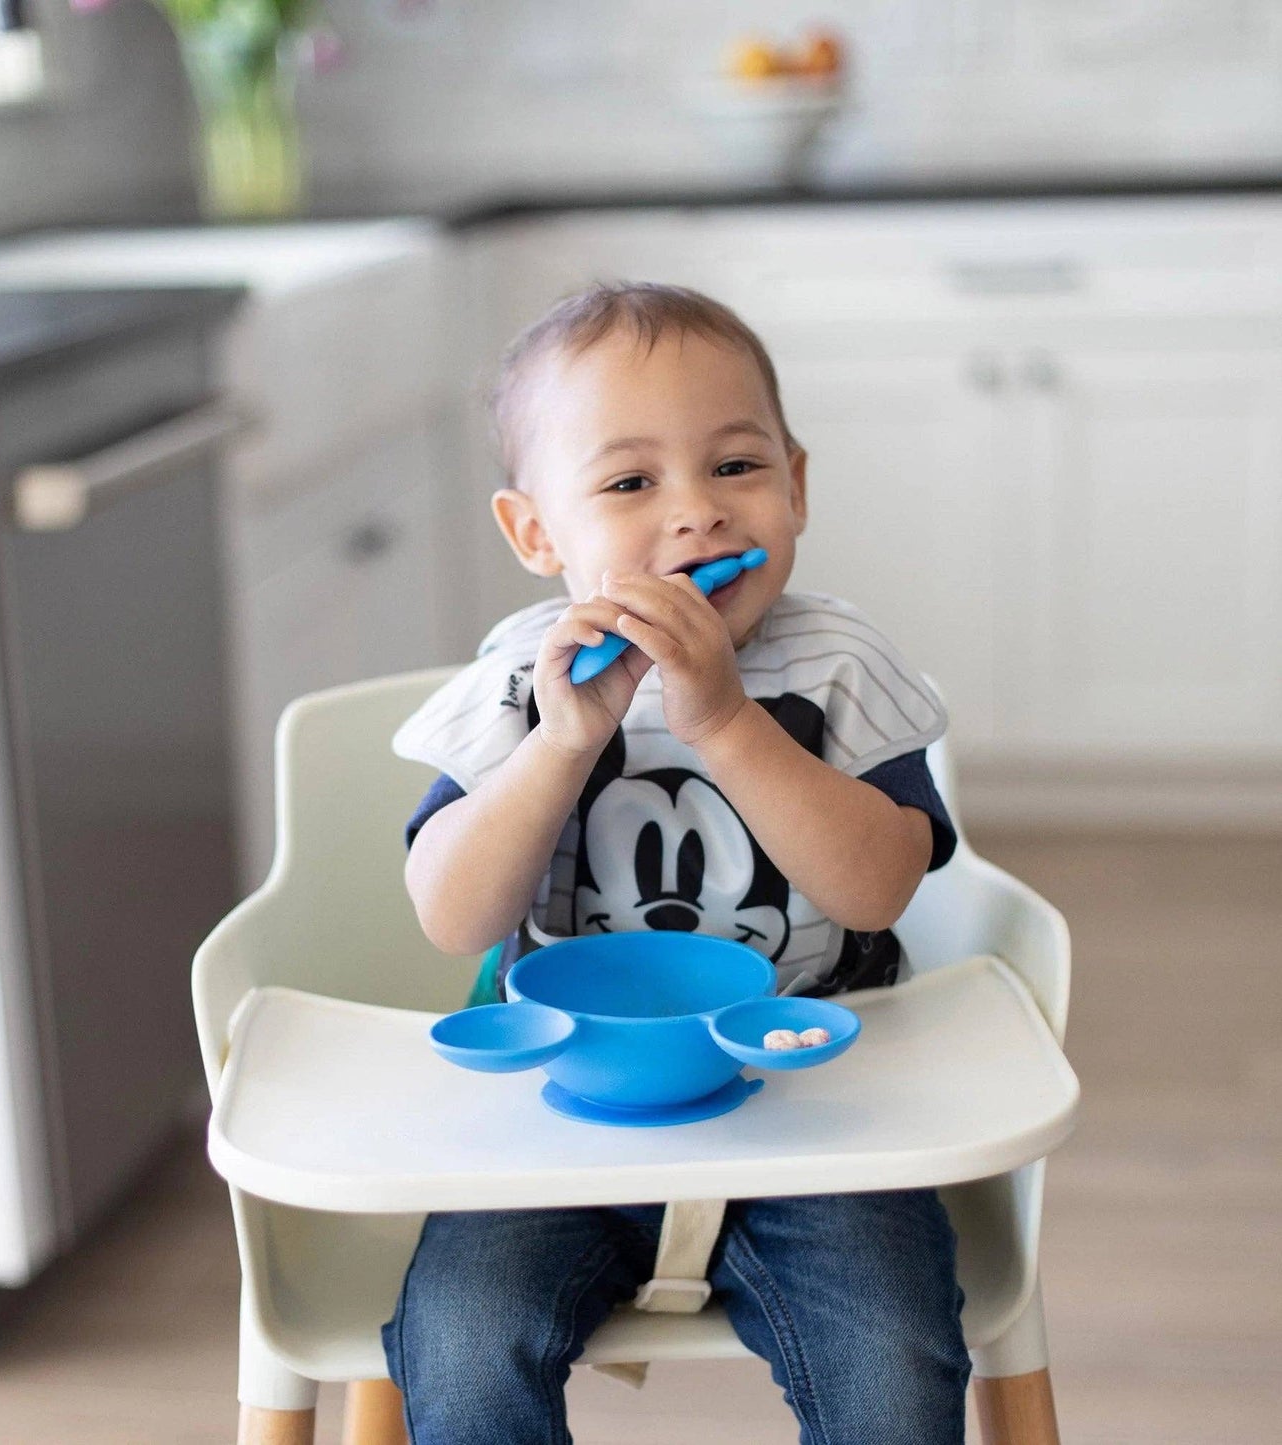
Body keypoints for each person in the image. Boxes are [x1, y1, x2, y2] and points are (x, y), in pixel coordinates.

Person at [383, 282, 971, 1443]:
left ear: (795, 483)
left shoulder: (837, 665)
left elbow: (877, 886)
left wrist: (723, 722)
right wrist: (561, 740)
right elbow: (452, 917)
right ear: (537, 532)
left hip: (817, 1099)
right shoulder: (518, 679)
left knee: (895, 1365)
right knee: (455, 1340)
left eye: (736, 467)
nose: (697, 516)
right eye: (629, 483)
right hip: (564, 1106)